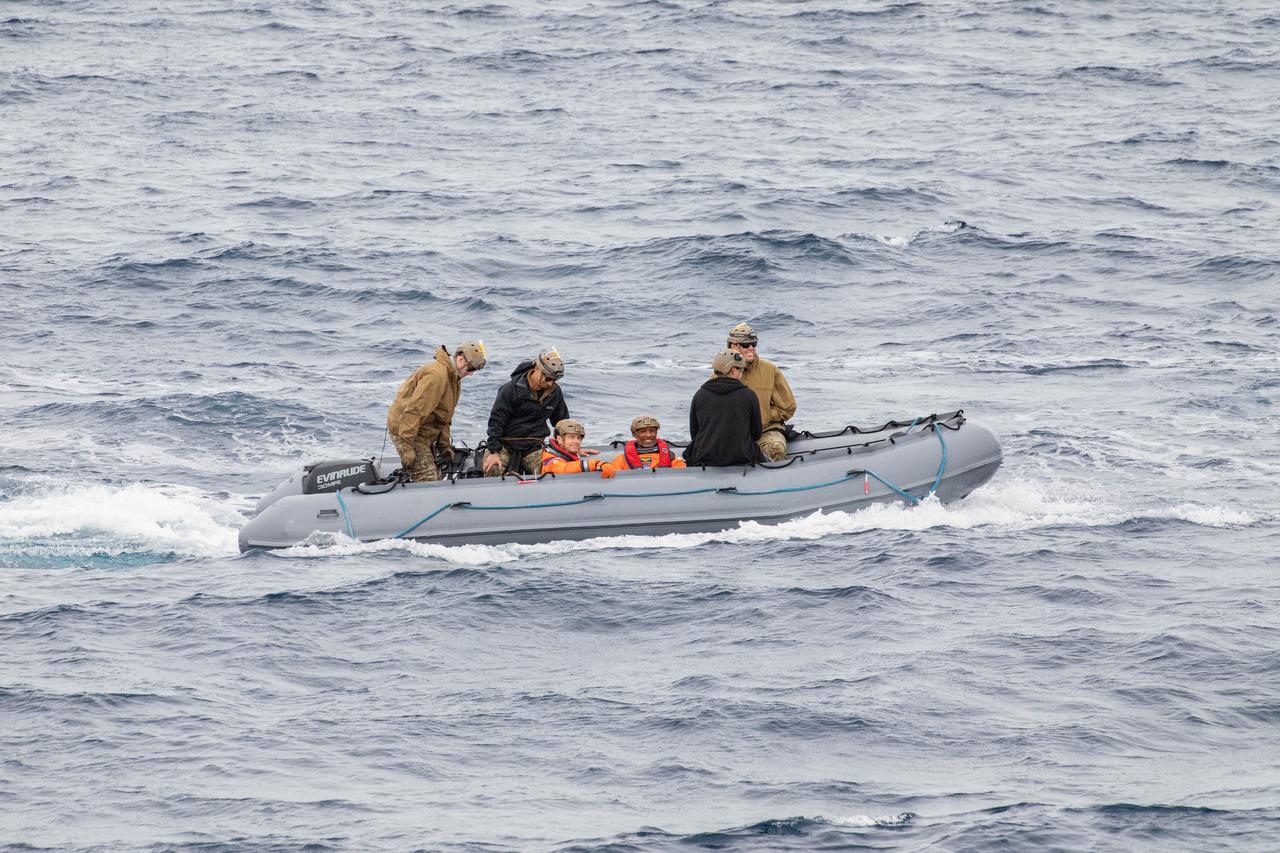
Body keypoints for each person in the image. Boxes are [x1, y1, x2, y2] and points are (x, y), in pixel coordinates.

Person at [386, 340, 487, 482]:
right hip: (406, 429)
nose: (470, 374)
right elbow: (414, 412)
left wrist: (444, 446)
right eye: (470, 369)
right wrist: (407, 448)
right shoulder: (436, 376)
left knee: (438, 477)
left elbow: (444, 418)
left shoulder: (454, 381)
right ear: (460, 359)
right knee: (428, 479)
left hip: (422, 431)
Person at [484, 348, 570, 476]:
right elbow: (496, 422)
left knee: (555, 471)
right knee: (491, 469)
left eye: (554, 380)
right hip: (505, 445)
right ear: (537, 369)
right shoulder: (509, 390)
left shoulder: (555, 392)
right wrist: (493, 452)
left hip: (534, 446)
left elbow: (562, 422)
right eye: (548, 378)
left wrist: (571, 447)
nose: (550, 383)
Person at [725, 322, 796, 461]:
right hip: (732, 433)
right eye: (745, 345)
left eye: (754, 344)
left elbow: (788, 408)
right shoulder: (720, 373)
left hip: (765, 432)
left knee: (776, 448)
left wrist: (761, 416)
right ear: (732, 346)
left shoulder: (770, 370)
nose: (751, 348)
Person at [684, 348, 765, 467]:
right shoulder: (749, 395)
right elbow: (756, 433)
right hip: (741, 457)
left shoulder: (699, 395)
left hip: (704, 458)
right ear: (733, 371)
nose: (742, 372)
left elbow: (694, 433)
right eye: (741, 369)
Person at [607, 415, 687, 472]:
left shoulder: (671, 457)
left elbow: (681, 476)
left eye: (652, 431)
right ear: (634, 434)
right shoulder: (621, 460)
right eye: (643, 431)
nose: (648, 435)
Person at [541, 419, 617, 478]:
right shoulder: (549, 458)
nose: (577, 441)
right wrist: (596, 464)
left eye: (579, 438)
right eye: (571, 437)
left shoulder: (561, 453)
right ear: (559, 439)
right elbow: (562, 468)